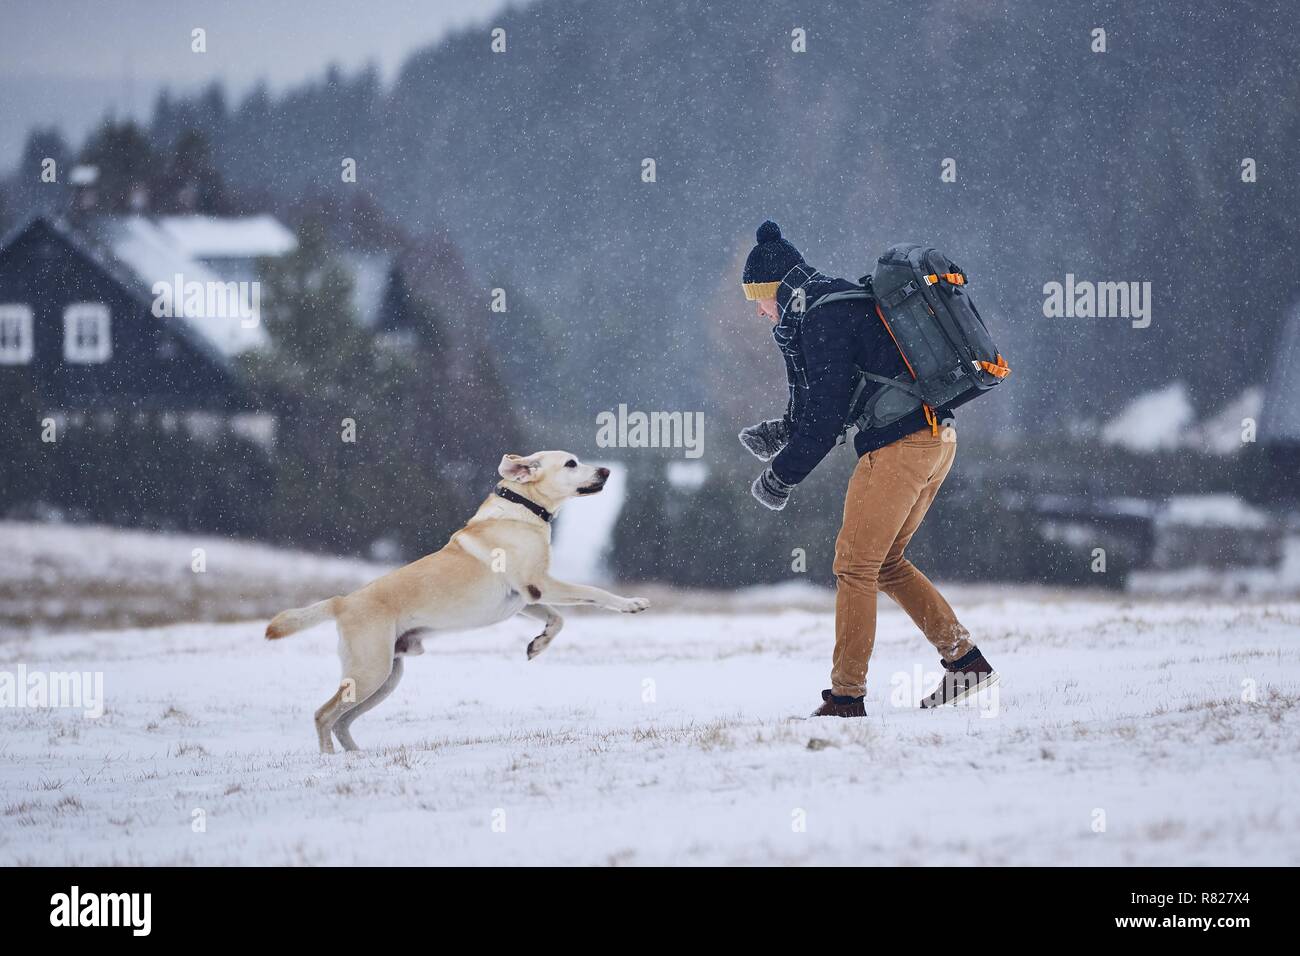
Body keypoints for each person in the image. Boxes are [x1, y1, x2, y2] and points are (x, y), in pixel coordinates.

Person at [738, 220, 996, 715]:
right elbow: (830, 401)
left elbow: (827, 417)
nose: (757, 310)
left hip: (900, 447)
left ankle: (846, 697)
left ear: (778, 288)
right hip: (937, 439)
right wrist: (781, 432)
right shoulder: (834, 301)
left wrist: (781, 476)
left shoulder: (819, 319)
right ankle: (966, 664)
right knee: (887, 565)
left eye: (759, 296)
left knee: (853, 566)